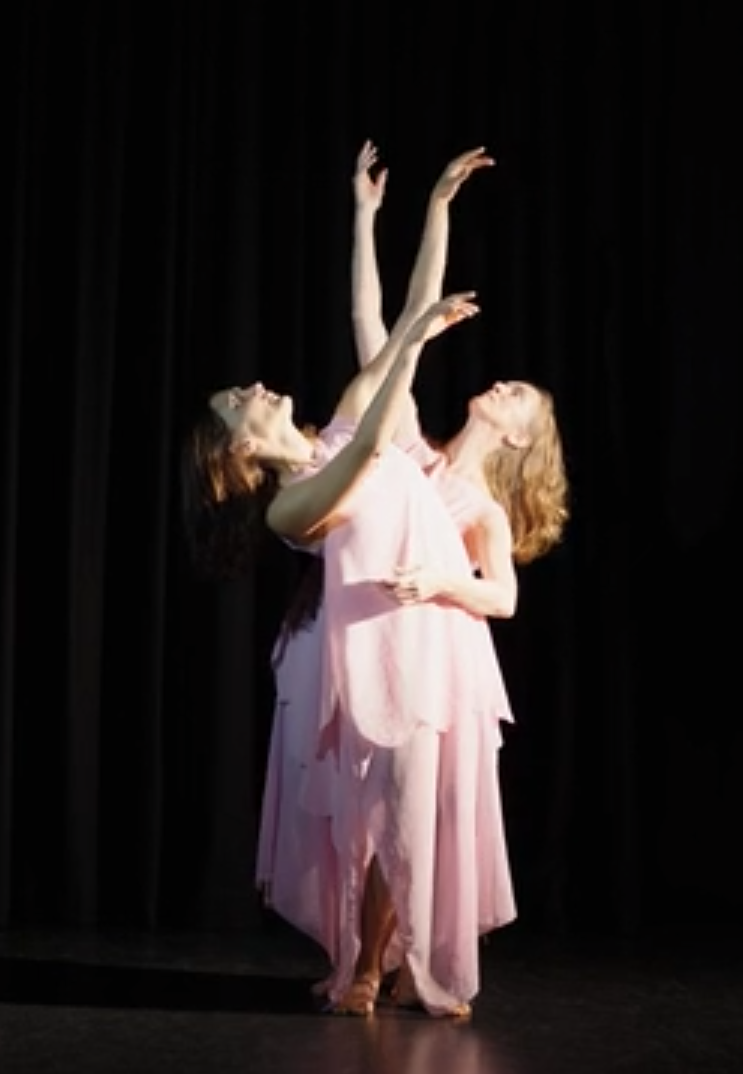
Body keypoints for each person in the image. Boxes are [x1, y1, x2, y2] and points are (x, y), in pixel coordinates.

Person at [252, 143, 570, 1018]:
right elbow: (384, 324)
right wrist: (400, 212)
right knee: (352, 809)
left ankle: (382, 960)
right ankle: (363, 953)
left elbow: (500, 597)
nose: (501, 388)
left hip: (431, 646)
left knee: (404, 808)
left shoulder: (478, 507)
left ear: (519, 442)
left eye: (521, 403)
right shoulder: (406, 444)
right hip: (359, 633)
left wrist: (441, 579)